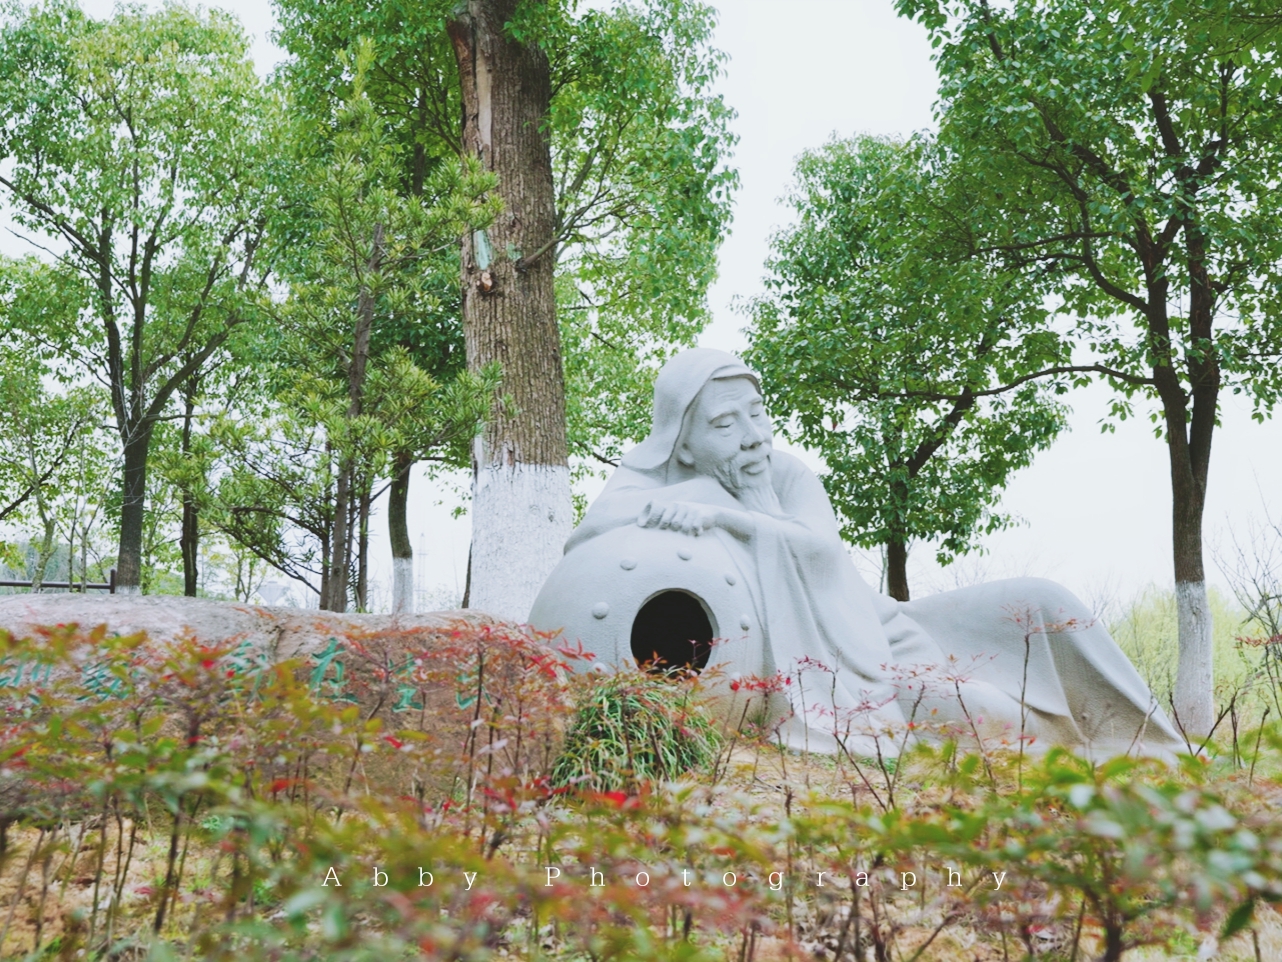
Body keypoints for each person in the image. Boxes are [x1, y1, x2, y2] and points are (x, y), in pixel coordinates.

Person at [557, 348, 1182, 757]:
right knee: (996, 722)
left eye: (757, 413)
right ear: (682, 443)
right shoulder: (664, 482)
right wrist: (689, 496)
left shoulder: (787, 475)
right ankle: (1091, 756)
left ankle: (1153, 744)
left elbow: (823, 557)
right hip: (844, 677)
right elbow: (590, 535)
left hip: (876, 627)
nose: (753, 437)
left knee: (1043, 602)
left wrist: (729, 514)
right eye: (725, 424)